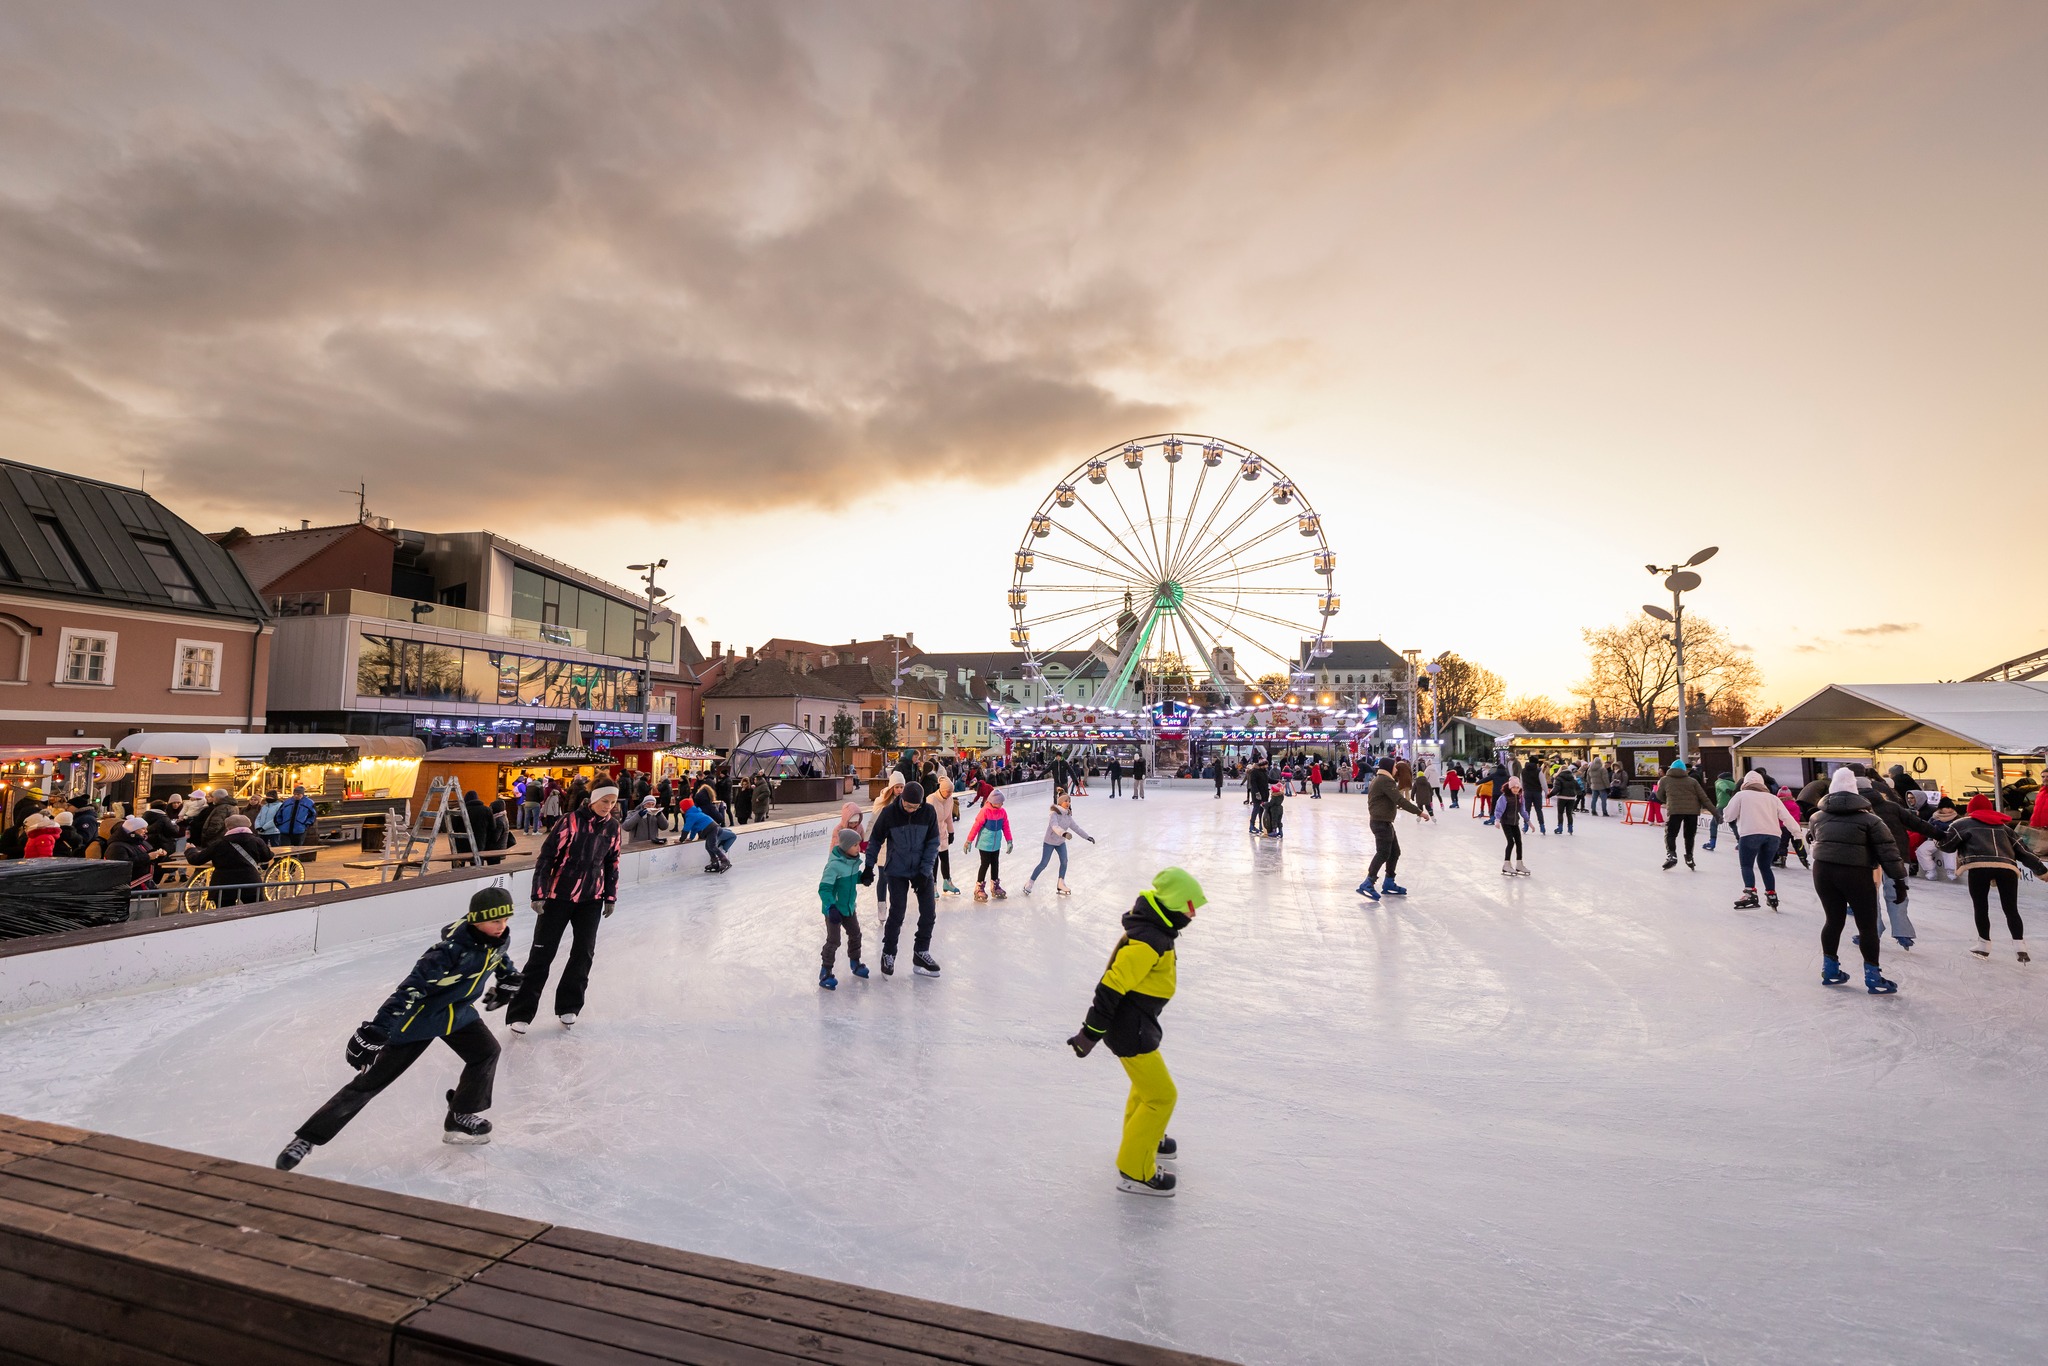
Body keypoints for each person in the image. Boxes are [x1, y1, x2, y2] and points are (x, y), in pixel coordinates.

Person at [275, 887, 522, 1170]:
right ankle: (306, 1139)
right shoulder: (446, 953)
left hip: (458, 1015)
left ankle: (460, 1115)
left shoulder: (497, 940)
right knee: (370, 1083)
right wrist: (376, 1031)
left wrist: (508, 979)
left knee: (486, 1052)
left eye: (505, 920)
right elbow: (408, 991)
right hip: (419, 1020)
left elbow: (499, 958)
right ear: (476, 920)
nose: (501, 927)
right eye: (495, 921)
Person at [1066, 867, 1207, 1198]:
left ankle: (1145, 1140)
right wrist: (1091, 1032)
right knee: (1162, 1096)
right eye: (1189, 905)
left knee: (1147, 1090)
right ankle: (1134, 1170)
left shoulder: (1156, 930)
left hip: (1136, 1025)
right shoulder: (1149, 940)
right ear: (1173, 904)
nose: (1193, 913)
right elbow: (1110, 986)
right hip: (1131, 1029)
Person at [506, 785, 622, 1033]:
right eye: (604, 800)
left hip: (592, 898)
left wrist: (610, 896)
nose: (608, 806)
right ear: (593, 799)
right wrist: (539, 892)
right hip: (558, 896)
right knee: (541, 955)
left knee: (583, 954)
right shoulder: (569, 821)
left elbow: (613, 862)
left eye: (612, 802)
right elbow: (546, 857)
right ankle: (521, 1013)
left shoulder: (613, 827)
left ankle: (569, 1006)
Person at [1807, 767, 1906, 994]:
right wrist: (1899, 880)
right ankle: (1873, 976)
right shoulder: (1871, 820)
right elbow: (1888, 851)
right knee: (1867, 925)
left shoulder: (1816, 817)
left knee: (1833, 920)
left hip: (1823, 872)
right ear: (1856, 792)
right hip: (1856, 873)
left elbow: (1812, 837)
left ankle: (1830, 970)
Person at [1941, 794, 2046, 962]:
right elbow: (2024, 852)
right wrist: (2042, 871)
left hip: (1978, 868)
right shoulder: (2005, 828)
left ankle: (1983, 946)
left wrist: (1936, 838)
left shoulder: (1961, 824)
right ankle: (2020, 947)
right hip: (2007, 869)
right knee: (2011, 909)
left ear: (1970, 810)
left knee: (1981, 907)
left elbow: (1946, 846)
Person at [860, 779, 943, 977]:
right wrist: (869, 866)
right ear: (901, 799)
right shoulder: (889, 813)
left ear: (921, 803)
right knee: (897, 914)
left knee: (929, 913)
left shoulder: (928, 812)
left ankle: (921, 952)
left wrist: (924, 873)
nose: (910, 810)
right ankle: (888, 953)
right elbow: (875, 840)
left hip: (921, 871)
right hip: (896, 870)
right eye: (907, 805)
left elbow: (933, 844)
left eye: (914, 807)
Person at [1721, 771, 1805, 909]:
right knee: (1765, 866)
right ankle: (1771, 894)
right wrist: (1797, 834)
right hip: (1773, 837)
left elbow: (1729, 816)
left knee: (1747, 865)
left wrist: (1727, 816)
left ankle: (1750, 894)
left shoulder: (1741, 795)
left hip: (1750, 834)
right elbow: (1787, 817)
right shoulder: (1773, 798)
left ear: (1745, 783)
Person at [1357, 756, 1427, 901]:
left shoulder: (1380, 779)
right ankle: (1368, 882)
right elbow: (1399, 800)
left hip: (1384, 821)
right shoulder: (1385, 781)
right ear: (1389, 767)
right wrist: (1419, 812)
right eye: (1394, 766)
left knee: (1394, 852)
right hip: (1381, 822)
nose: (1396, 769)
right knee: (1383, 853)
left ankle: (1389, 881)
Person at [817, 827, 870, 989]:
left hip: (848, 908)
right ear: (846, 846)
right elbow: (824, 888)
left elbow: (852, 880)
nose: (858, 848)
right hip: (833, 910)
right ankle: (825, 970)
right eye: (855, 845)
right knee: (834, 941)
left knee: (855, 934)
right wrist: (831, 906)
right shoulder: (834, 866)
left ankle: (855, 962)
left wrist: (863, 878)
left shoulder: (853, 862)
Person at [1025, 790, 1095, 896]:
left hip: (1061, 843)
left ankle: (1061, 883)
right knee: (1043, 863)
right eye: (1066, 801)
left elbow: (1076, 828)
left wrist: (1087, 837)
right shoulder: (1054, 814)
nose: (1068, 803)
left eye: (1069, 801)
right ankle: (1030, 883)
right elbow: (1054, 826)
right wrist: (1064, 833)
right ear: (1060, 802)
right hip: (1050, 841)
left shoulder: (1068, 816)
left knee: (1064, 861)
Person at [204, 814, 274, 906]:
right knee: (256, 912)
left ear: (228, 827)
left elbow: (196, 859)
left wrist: (190, 850)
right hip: (250, 882)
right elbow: (267, 856)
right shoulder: (257, 841)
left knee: (226, 915)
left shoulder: (219, 843)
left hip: (224, 884)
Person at [1655, 761, 1710, 870]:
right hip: (1692, 812)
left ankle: (1672, 855)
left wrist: (1669, 800)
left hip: (1675, 810)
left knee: (1671, 834)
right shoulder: (1692, 781)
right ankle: (1689, 857)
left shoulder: (1664, 780)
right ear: (1684, 769)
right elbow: (1704, 798)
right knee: (1689, 835)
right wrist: (1716, 814)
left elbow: (1659, 796)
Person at [965, 789, 1015, 901]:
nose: (1002, 804)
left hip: (996, 844)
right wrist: (969, 841)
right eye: (1001, 802)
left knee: (995, 863)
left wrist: (1009, 841)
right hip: (984, 844)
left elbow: (1006, 827)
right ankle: (979, 887)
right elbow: (976, 826)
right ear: (994, 802)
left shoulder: (1002, 812)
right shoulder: (985, 811)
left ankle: (995, 885)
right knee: (985, 864)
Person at [104, 814, 161, 888]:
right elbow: (121, 866)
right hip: (131, 887)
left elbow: (143, 856)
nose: (146, 831)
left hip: (143, 883)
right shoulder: (116, 846)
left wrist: (158, 854)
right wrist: (148, 857)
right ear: (134, 830)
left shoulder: (140, 841)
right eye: (143, 828)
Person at [682, 799, 736, 871]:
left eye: (681, 807)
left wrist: (681, 839)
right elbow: (694, 828)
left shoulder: (690, 815)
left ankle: (725, 860)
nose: (680, 809)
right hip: (713, 828)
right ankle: (714, 863)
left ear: (685, 808)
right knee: (708, 847)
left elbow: (686, 828)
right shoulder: (694, 812)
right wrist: (691, 838)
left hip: (712, 829)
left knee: (712, 846)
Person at [932, 776, 963, 896]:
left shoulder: (949, 799)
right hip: (932, 835)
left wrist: (951, 832)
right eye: (948, 791)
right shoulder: (932, 799)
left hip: (943, 834)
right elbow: (927, 820)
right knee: (934, 862)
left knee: (945, 859)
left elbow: (949, 817)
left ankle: (947, 882)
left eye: (951, 791)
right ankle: (932, 886)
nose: (950, 794)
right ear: (941, 789)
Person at [1496, 777, 1528, 876]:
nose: (1515, 789)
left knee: (1519, 842)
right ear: (1509, 787)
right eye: (1513, 787)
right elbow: (1499, 809)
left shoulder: (1520, 797)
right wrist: (1497, 820)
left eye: (1517, 787)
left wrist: (1528, 820)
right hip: (1506, 822)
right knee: (1511, 842)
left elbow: (1522, 810)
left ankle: (1519, 864)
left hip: (1515, 822)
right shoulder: (1504, 797)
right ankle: (1506, 864)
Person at [1705, 771, 1737, 852]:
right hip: (1733, 806)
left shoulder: (1719, 781)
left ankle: (1712, 843)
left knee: (1714, 824)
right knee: (1733, 823)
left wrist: (1728, 791)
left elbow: (1724, 787)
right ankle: (1740, 842)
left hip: (1722, 806)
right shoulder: (1734, 784)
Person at [1550, 764, 1580, 834]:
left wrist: (1550, 794)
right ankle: (1570, 828)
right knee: (1569, 813)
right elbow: (1578, 788)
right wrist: (1578, 794)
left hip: (1562, 797)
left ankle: (1560, 828)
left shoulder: (1558, 777)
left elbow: (1557, 788)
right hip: (1571, 798)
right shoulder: (1573, 777)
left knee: (1560, 813)